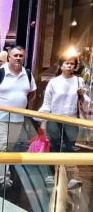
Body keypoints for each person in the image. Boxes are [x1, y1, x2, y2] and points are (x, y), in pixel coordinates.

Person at [0, 46, 36, 186]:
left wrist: (22, 104)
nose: (18, 58)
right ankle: (3, 179)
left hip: (17, 118)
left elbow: (32, 93)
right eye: (15, 55)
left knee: (7, 148)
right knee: (2, 147)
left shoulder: (27, 74)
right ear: (9, 57)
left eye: (21, 55)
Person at [39, 57, 87, 189]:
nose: (69, 66)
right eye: (67, 63)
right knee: (54, 146)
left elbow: (84, 101)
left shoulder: (79, 81)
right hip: (54, 118)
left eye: (72, 64)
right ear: (61, 66)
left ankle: (68, 177)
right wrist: (42, 119)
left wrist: (82, 94)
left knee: (68, 147)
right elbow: (47, 102)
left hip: (71, 119)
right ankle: (53, 174)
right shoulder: (54, 82)